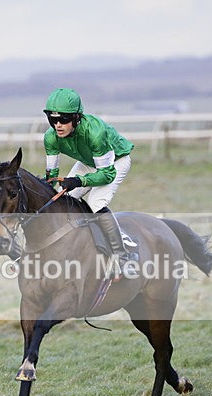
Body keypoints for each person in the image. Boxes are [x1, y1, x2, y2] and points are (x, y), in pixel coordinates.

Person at [42, 88, 138, 276]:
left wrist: (79, 181)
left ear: (77, 118)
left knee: (94, 204)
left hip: (115, 162)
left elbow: (107, 174)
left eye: (63, 119)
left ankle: (123, 255)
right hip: (88, 162)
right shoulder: (50, 137)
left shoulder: (95, 132)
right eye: (53, 120)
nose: (58, 125)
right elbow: (52, 176)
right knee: (65, 200)